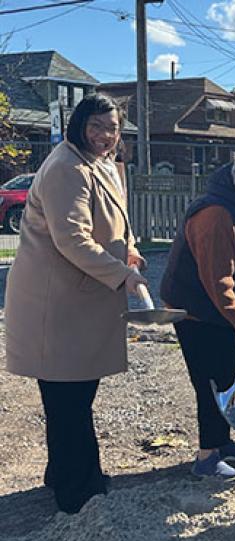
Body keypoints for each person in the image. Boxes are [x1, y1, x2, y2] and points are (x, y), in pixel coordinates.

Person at [5, 94, 148, 513]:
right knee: (67, 400)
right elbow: (72, 239)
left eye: (113, 128)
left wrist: (132, 249)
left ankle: (68, 472)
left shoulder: (100, 163)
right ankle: (76, 490)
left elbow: (117, 219)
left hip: (81, 301)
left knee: (77, 396)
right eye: (96, 127)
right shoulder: (66, 167)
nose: (105, 136)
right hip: (57, 304)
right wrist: (122, 273)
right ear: (78, 126)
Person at [160, 145, 235, 480]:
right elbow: (217, 279)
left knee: (228, 376)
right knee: (211, 382)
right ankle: (206, 457)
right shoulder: (215, 214)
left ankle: (223, 442)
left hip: (226, 307)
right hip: (196, 309)